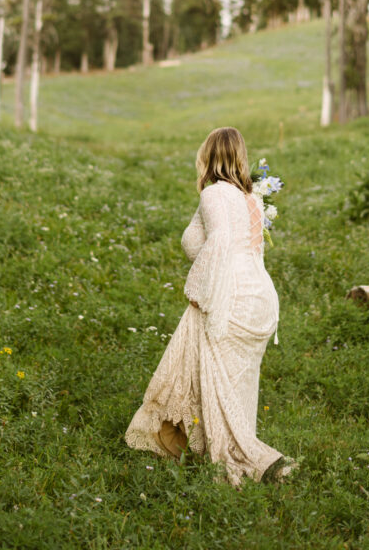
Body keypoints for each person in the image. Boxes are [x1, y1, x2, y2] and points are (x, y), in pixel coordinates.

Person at [125, 126, 295, 485]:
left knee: (219, 384)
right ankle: (208, 443)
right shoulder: (250, 198)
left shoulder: (215, 195)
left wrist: (197, 290)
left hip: (231, 297)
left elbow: (218, 243)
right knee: (234, 387)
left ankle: (246, 459)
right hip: (260, 298)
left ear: (209, 155)